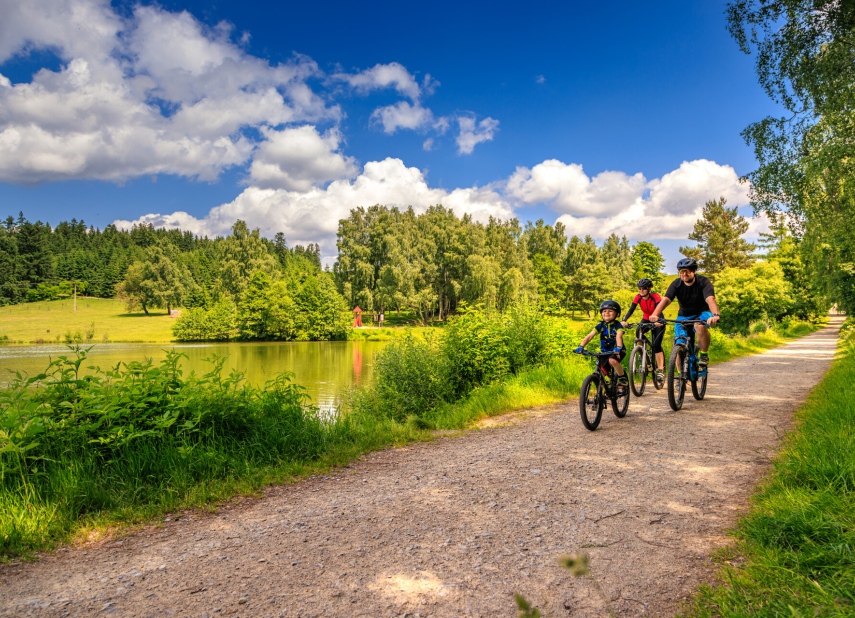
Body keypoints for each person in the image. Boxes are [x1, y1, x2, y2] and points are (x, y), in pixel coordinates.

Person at [649, 257, 721, 367]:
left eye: (687, 271)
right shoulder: (676, 284)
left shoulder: (703, 282)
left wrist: (715, 315)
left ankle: (704, 354)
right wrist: (655, 314)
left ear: (694, 271)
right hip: (684, 316)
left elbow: (710, 299)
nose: (684, 274)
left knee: (700, 325)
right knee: (679, 343)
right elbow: (666, 300)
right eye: (681, 272)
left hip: (702, 313)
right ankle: (679, 378)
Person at [575, 300, 628, 389]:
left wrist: (618, 347)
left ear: (617, 314)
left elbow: (619, 336)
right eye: (604, 311)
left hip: (618, 351)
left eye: (610, 311)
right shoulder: (601, 325)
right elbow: (590, 336)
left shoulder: (618, 325)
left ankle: (622, 379)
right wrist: (581, 346)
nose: (607, 313)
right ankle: (602, 395)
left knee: (612, 360)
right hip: (605, 352)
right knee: (600, 375)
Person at [621, 278, 666, 383]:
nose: (641, 290)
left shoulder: (655, 296)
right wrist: (624, 320)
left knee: (657, 345)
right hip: (646, 318)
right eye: (639, 288)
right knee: (638, 332)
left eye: (644, 288)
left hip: (658, 319)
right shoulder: (638, 298)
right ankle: (642, 351)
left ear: (649, 289)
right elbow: (631, 310)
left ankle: (660, 370)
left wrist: (658, 320)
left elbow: (659, 308)